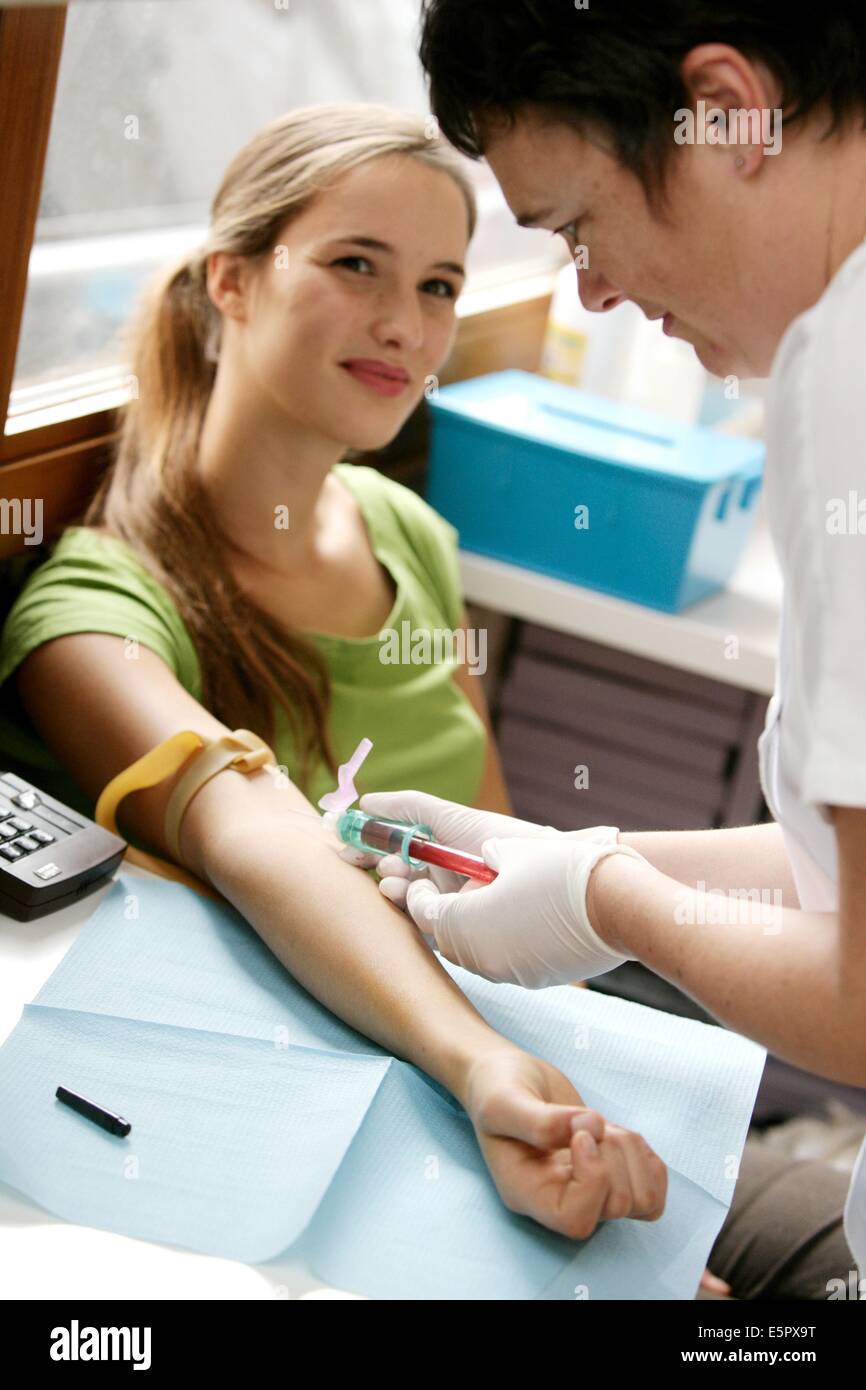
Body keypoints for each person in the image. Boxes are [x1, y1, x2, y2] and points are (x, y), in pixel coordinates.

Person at [0, 103, 670, 1247]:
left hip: (488, 1080)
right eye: (356, 264)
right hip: (270, 1132)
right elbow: (250, 831)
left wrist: (584, 1132)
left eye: (440, 286)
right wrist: (484, 1066)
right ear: (233, 282)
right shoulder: (90, 615)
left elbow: (493, 859)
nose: (403, 323)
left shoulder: (410, 534)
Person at [352, 0, 866, 1296]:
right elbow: (831, 864)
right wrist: (593, 854)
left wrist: (608, 902)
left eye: (579, 224)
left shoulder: (844, 373)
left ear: (728, 115)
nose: (591, 289)